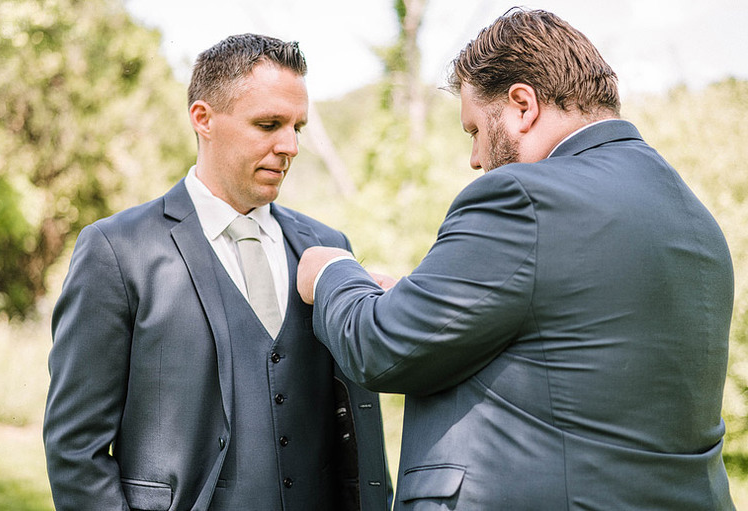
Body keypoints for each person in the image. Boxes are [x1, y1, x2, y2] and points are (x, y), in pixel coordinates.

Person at [297, 8, 735, 510]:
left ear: (522, 105)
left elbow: (381, 345)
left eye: (475, 131)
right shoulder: (692, 215)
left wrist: (333, 273)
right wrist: (417, 298)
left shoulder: (524, 197)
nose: (476, 159)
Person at [43, 34, 391, 511]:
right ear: (203, 119)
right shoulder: (118, 249)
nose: (289, 145)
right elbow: (75, 448)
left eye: (297, 127)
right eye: (268, 124)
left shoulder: (328, 248)